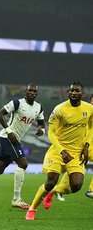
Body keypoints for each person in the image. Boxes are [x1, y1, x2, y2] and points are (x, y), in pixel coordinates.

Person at [26, 82, 93, 220]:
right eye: (72, 90)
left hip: (77, 153)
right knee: (51, 181)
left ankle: (53, 192)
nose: (74, 93)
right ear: (68, 92)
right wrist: (62, 151)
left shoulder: (89, 109)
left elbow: (91, 126)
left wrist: (86, 145)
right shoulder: (59, 109)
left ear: (82, 93)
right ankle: (32, 209)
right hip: (58, 151)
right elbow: (51, 133)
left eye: (77, 91)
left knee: (76, 186)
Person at [39, 93, 93, 204]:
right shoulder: (85, 112)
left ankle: (55, 190)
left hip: (87, 145)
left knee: (74, 179)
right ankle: (91, 190)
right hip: (81, 146)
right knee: (71, 171)